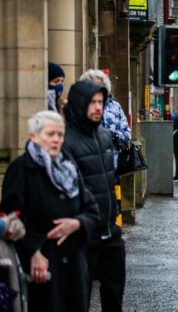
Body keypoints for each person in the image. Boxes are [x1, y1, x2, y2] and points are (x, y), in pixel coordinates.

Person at [0, 110, 99, 312]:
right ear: (34, 136)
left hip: (73, 267)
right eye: (50, 134)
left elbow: (91, 209)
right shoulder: (21, 169)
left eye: (60, 135)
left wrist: (77, 223)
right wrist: (33, 250)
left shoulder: (68, 167)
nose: (56, 140)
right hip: (41, 267)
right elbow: (10, 217)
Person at [62, 80, 125, 311]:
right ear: (80, 104)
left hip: (110, 232)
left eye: (100, 102)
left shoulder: (105, 136)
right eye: (92, 102)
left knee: (114, 295)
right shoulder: (66, 142)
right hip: (83, 236)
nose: (98, 107)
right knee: (79, 299)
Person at [79, 70, 131, 168]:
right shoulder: (80, 104)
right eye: (93, 84)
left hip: (111, 164)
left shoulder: (115, 106)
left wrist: (114, 136)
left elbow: (127, 133)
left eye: (100, 84)